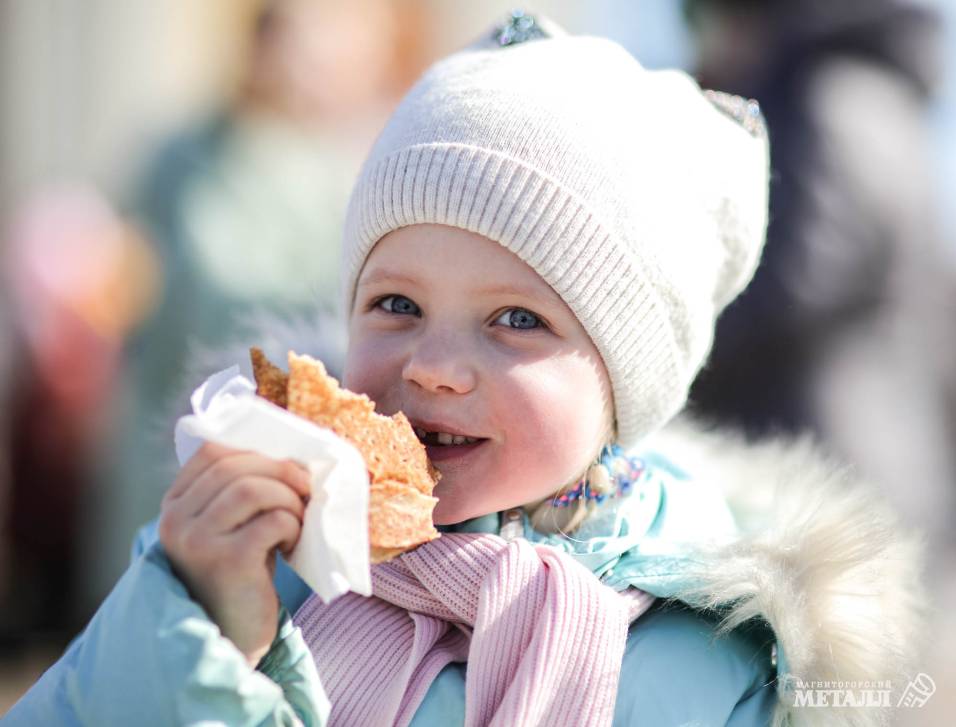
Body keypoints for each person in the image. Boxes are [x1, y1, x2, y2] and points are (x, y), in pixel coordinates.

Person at [5, 15, 922, 726]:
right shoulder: (269, 564)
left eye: (517, 320)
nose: (436, 367)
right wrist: (195, 628)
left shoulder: (720, 655)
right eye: (396, 304)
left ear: (623, 382)